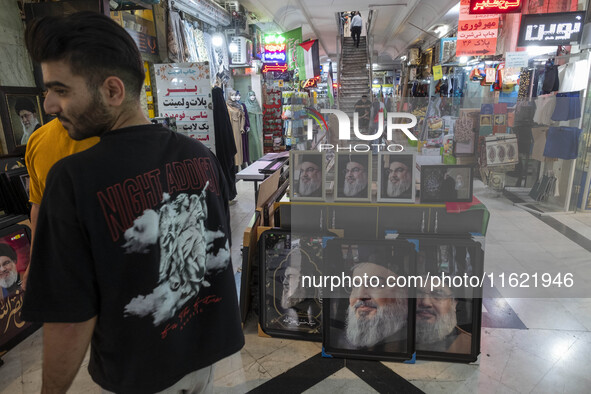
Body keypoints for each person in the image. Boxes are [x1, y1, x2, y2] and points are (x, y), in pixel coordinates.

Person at [22, 11, 244, 393]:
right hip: (201, 359)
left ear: (112, 91)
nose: (50, 106)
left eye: (61, 90)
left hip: (138, 374)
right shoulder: (199, 155)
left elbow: (70, 318)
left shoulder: (73, 179)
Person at [22, 118, 99, 290]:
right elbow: (38, 206)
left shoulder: (116, 134)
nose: (48, 105)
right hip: (64, 268)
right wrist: (34, 261)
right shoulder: (38, 139)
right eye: (50, 91)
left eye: (62, 91)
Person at [343, 260, 408, 351]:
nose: (360, 296)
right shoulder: (338, 340)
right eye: (355, 285)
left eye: (375, 283)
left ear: (403, 293)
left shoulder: (405, 342)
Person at [416, 281, 471, 353]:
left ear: (453, 303)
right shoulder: (398, 339)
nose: (425, 302)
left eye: (438, 295)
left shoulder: (469, 346)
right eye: (418, 293)